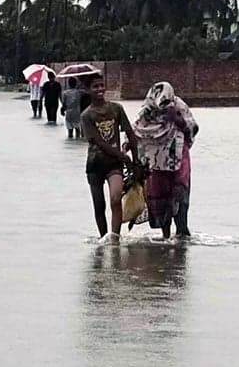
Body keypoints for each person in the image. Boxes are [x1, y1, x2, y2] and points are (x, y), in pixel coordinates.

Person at [133, 82, 199, 239]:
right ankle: (166, 236)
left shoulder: (179, 106)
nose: (165, 105)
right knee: (160, 198)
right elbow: (136, 131)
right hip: (156, 165)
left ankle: (182, 232)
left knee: (179, 195)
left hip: (178, 160)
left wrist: (177, 119)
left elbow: (193, 128)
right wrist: (127, 148)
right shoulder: (147, 111)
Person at [81, 73, 140, 244]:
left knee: (115, 198)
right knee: (99, 205)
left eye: (101, 85)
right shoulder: (87, 116)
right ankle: (103, 239)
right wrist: (122, 156)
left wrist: (135, 161)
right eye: (95, 87)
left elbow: (130, 133)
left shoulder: (116, 109)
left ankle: (114, 239)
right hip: (95, 165)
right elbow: (97, 142)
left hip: (114, 165)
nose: (99, 89)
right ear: (88, 90)